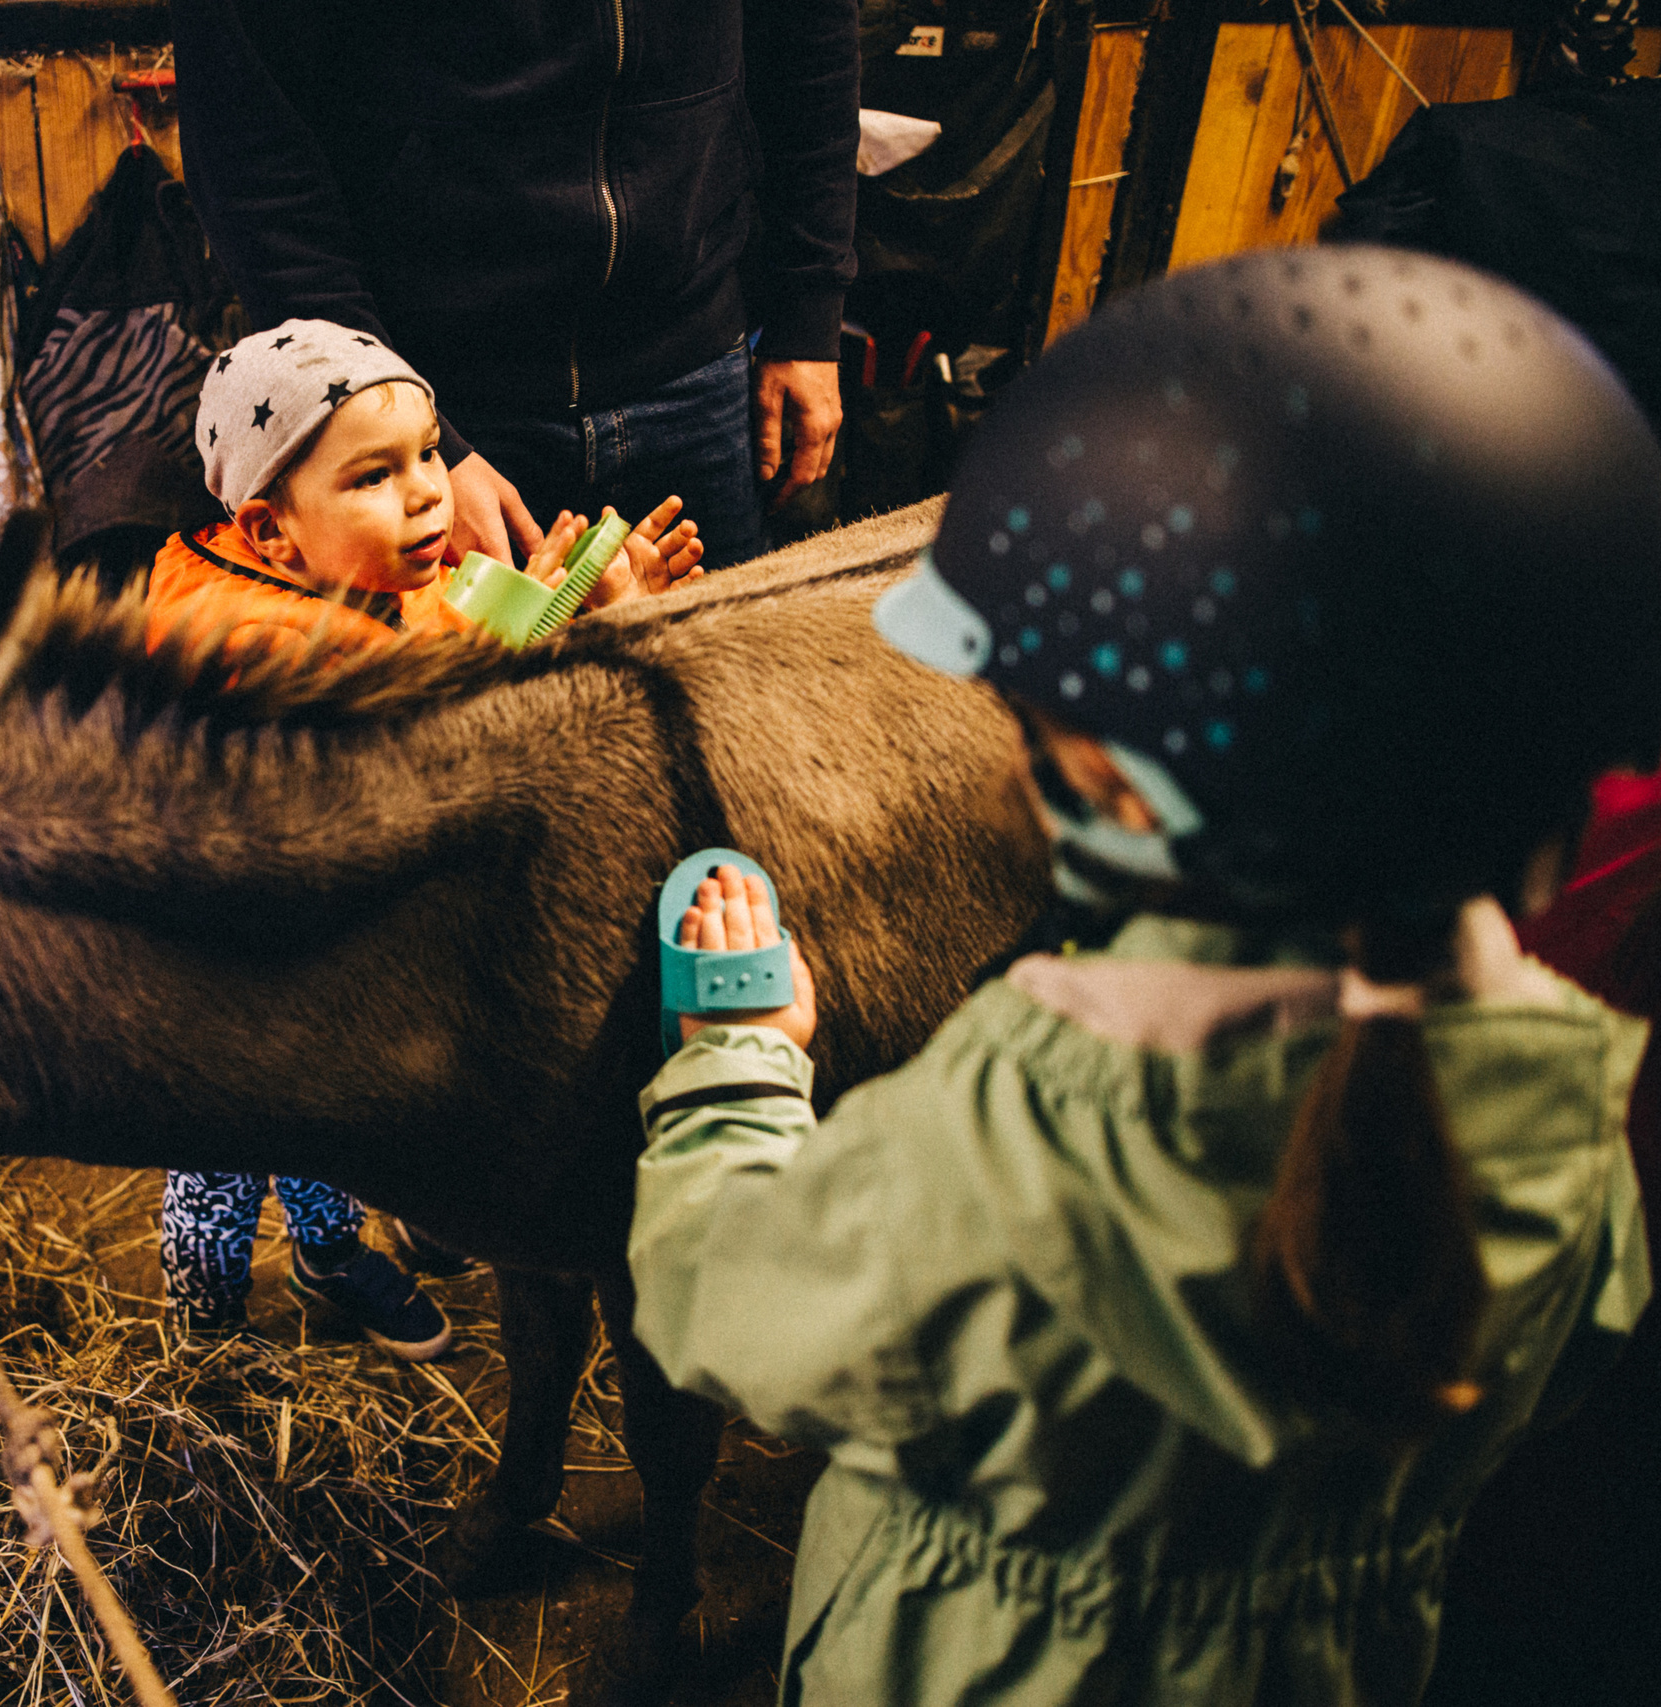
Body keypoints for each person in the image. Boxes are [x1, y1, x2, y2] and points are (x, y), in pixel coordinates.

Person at [624, 246, 1661, 1703]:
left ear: (1100, 771)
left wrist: (742, 1063)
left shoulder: (1013, 1143)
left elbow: (720, 1306)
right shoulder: (1575, 1118)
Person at [150, 317, 699, 1356]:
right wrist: (588, 640)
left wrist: (568, 603)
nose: (426, 493)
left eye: (430, 454)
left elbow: (463, 641)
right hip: (225, 969)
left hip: (333, 958)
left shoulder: (382, 578)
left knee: (323, 1118)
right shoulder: (248, 649)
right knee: (222, 1147)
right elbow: (428, 740)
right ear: (271, 531)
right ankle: (205, 1327)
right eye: (373, 476)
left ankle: (325, 1254)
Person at [169, 0, 859, 574]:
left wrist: (809, 310)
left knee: (724, 722)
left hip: (700, 381)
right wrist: (413, 448)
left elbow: (811, 42)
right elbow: (253, 157)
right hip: (436, 405)